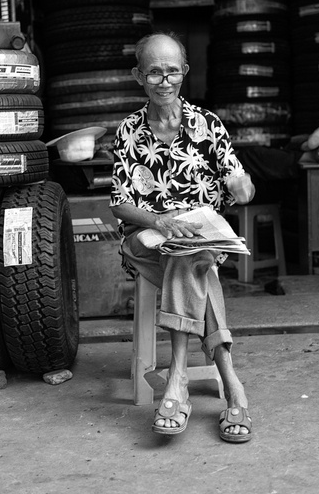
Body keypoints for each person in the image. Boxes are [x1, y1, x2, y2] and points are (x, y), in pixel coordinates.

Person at [110, 31, 255, 442]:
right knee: (186, 256)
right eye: (153, 72)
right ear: (138, 75)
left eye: (172, 71)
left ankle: (178, 381)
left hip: (199, 242)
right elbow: (120, 205)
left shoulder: (207, 125)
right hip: (144, 241)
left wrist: (244, 187)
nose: (164, 81)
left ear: (185, 72)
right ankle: (232, 383)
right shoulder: (128, 131)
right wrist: (161, 222)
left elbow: (238, 186)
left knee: (189, 255)